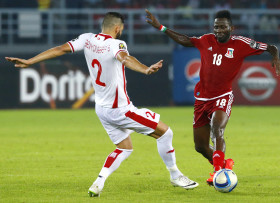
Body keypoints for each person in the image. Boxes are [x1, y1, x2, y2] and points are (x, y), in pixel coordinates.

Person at [5, 12, 198, 197]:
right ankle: (175, 176)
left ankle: (98, 183)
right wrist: (145, 69)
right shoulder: (117, 43)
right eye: (121, 28)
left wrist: (30, 61)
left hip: (102, 109)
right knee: (165, 132)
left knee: (125, 148)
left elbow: (60, 49)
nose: (121, 31)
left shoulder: (87, 39)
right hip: (121, 110)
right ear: (117, 27)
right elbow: (125, 58)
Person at [145, 9, 280, 186]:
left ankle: (218, 173)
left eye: (223, 27)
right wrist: (161, 27)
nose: (218, 30)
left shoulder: (241, 43)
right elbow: (186, 40)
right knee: (200, 146)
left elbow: (271, 47)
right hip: (202, 98)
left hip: (222, 96)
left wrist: (276, 56)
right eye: (216, 27)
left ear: (231, 27)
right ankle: (225, 165)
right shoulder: (206, 39)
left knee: (217, 129)